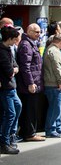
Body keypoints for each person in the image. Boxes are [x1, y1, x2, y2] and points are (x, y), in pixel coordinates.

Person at [16, 23, 45, 142]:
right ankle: (29, 133)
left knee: (31, 109)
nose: (39, 34)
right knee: (29, 109)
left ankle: (28, 132)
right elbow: (25, 66)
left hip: (35, 81)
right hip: (30, 84)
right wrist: (30, 83)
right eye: (36, 32)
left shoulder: (31, 43)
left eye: (39, 32)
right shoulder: (26, 45)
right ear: (29, 31)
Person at [0, 26, 22, 154]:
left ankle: (9, 136)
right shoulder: (2, 51)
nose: (16, 42)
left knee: (17, 107)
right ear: (9, 38)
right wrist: (13, 70)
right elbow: (9, 70)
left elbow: (15, 66)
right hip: (6, 87)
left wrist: (13, 70)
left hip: (11, 87)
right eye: (15, 39)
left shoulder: (8, 49)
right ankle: (5, 142)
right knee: (10, 114)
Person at [43, 33, 61, 138]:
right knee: (55, 107)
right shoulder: (54, 51)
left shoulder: (52, 49)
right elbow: (56, 67)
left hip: (54, 82)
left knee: (57, 107)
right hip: (54, 83)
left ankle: (57, 126)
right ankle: (50, 129)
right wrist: (60, 81)